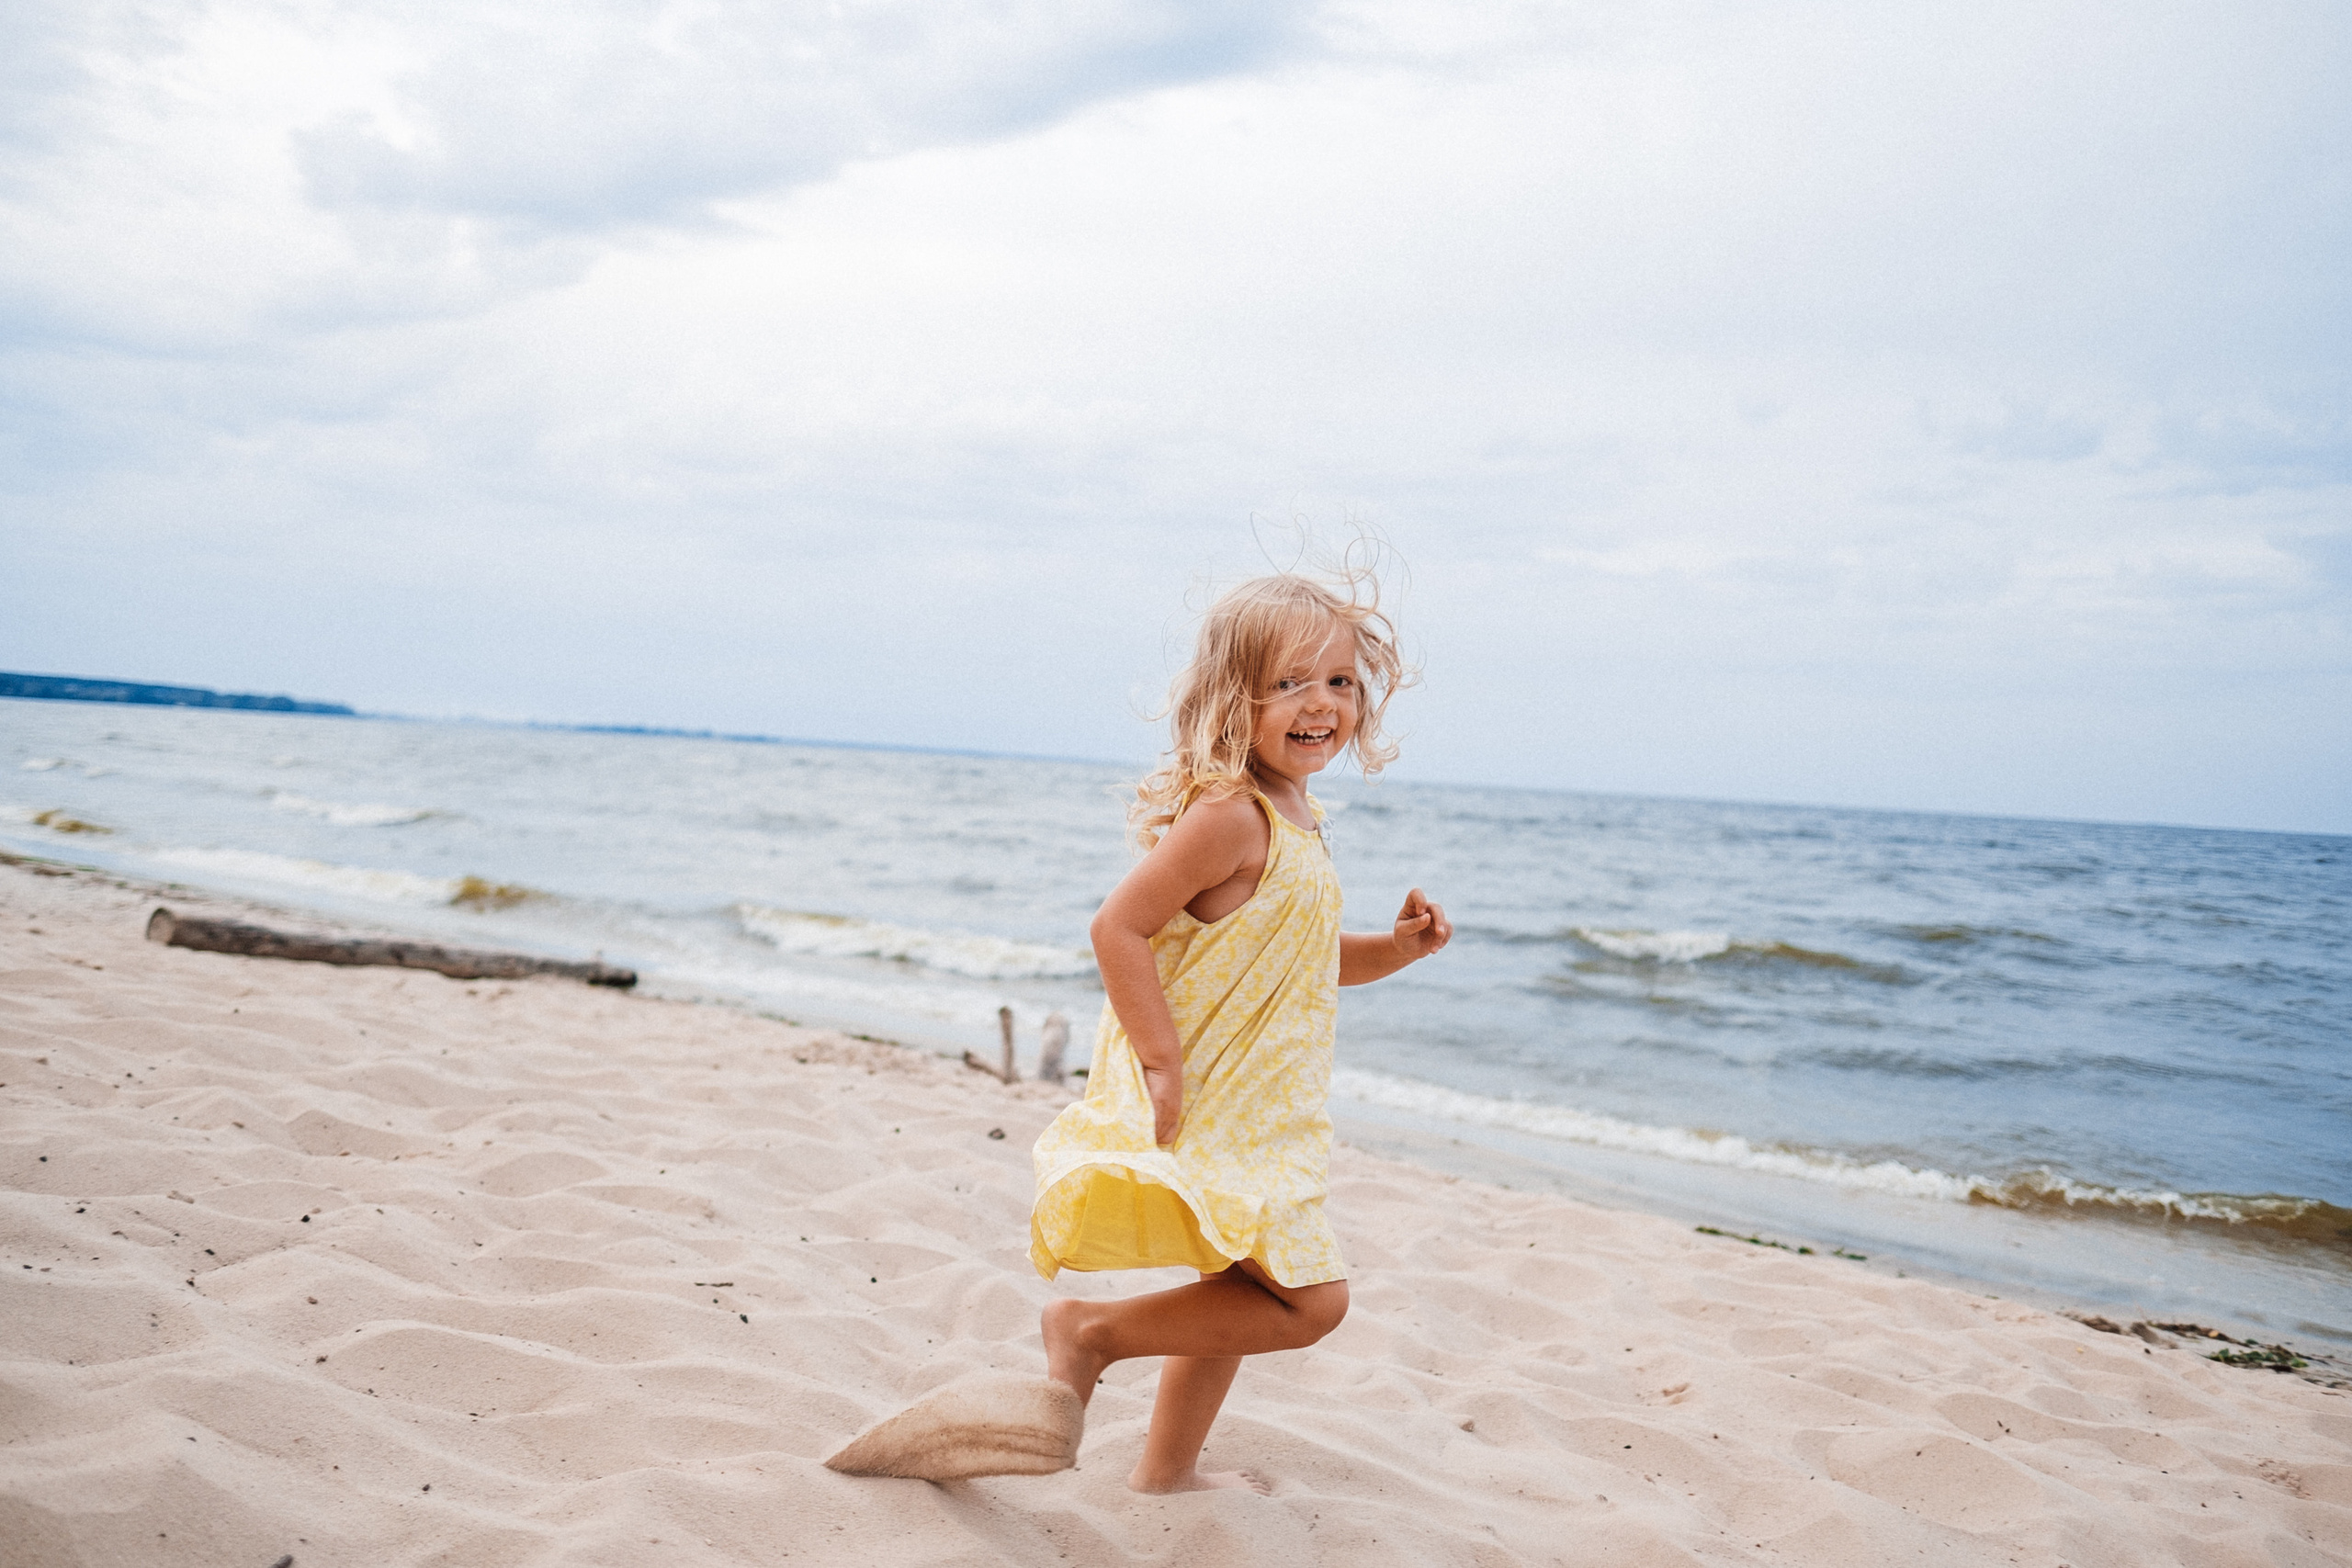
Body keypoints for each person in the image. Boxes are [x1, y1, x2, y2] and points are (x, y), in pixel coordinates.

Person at [1029, 570, 1452, 1495]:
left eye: (1339, 682)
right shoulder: (1230, 814)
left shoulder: (1299, 817)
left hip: (1270, 1109)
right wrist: (1157, 1061)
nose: (1321, 705)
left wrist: (1399, 949)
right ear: (1236, 697)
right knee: (1309, 1302)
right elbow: (1118, 926)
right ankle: (1087, 1334)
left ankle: (1163, 1476)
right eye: (1291, 683)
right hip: (1215, 1097)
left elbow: (1302, 955)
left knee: (1241, 1289)